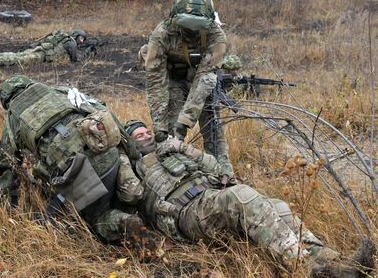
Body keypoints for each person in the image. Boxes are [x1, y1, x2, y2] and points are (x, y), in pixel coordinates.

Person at [122, 119, 376, 278]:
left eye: (146, 132)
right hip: (187, 214)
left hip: (212, 199)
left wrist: (184, 149)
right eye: (138, 135)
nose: (145, 136)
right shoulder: (134, 167)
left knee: (280, 207)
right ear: (130, 144)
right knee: (240, 196)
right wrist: (126, 160)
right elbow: (131, 194)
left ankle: (337, 263)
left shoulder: (171, 152)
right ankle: (306, 269)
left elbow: (216, 168)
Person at [0, 75, 144, 242]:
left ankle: (124, 222)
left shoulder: (12, 118)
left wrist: (8, 208)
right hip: (107, 153)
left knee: (96, 218)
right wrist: (134, 154)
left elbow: (7, 166)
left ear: (6, 102)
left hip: (77, 173)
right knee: (125, 190)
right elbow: (102, 111)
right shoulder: (60, 92)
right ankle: (136, 206)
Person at [144, 0, 233, 178]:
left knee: (213, 130)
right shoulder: (162, 33)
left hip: (202, 81)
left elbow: (205, 78)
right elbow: (155, 81)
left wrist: (186, 120)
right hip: (174, 79)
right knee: (170, 135)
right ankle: (173, 178)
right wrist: (160, 125)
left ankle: (224, 177)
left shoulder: (216, 36)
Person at [0, 30, 92, 66]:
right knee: (21, 59)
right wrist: (88, 52)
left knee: (18, 54)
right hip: (42, 54)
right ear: (77, 36)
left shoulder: (63, 37)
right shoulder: (71, 43)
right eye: (81, 38)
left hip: (40, 48)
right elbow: (76, 59)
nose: (81, 41)